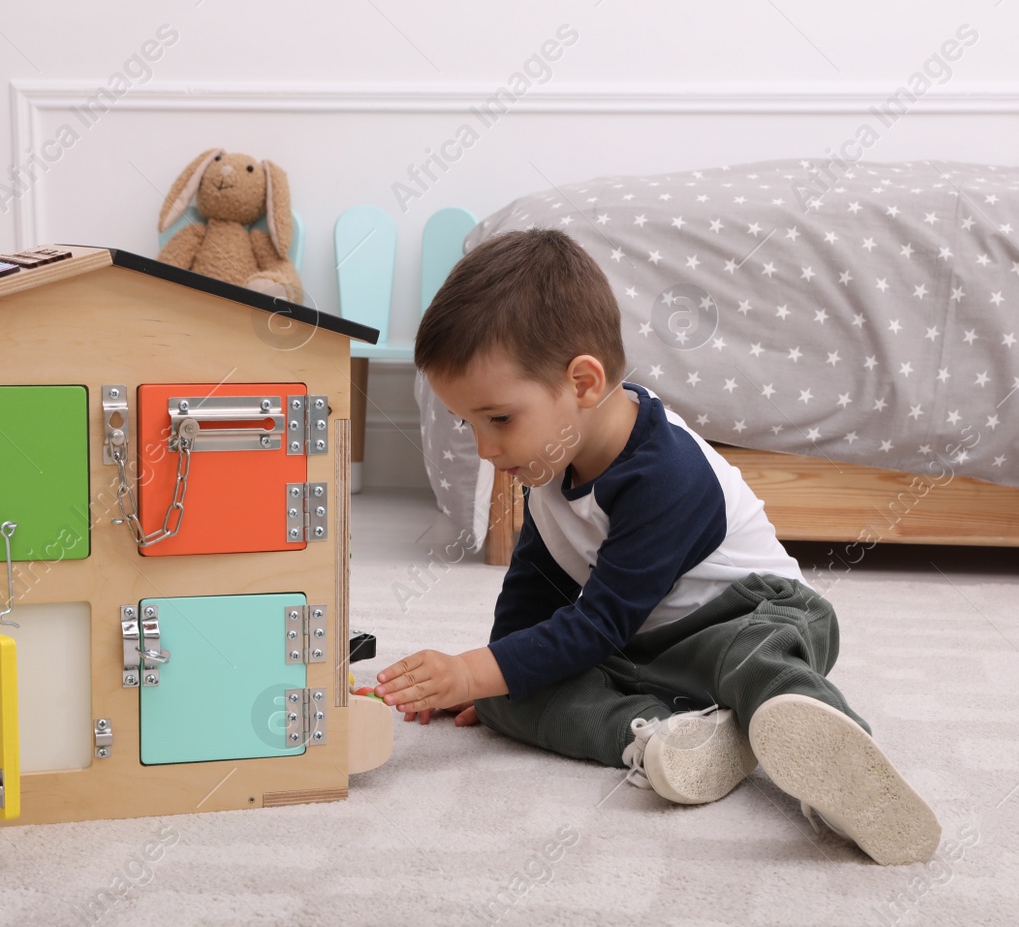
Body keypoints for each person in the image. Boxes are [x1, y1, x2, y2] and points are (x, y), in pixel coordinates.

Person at [374, 228, 940, 865]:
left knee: (755, 661)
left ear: (583, 383)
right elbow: (537, 584)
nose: (483, 447)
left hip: (750, 615)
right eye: (466, 423)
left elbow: (600, 619)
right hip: (647, 644)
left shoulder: (664, 473)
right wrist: (493, 679)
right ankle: (666, 739)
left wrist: (473, 669)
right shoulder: (546, 466)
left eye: (499, 419)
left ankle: (835, 762)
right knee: (513, 694)